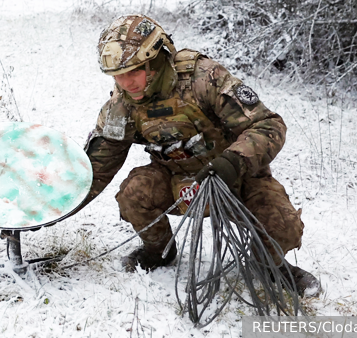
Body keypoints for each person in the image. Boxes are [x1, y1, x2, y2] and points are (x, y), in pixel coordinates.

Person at [81, 14, 321, 297]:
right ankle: (158, 252)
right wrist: (50, 208)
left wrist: (232, 162)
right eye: (117, 76)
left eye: (134, 72)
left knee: (283, 226)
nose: (126, 83)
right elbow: (97, 166)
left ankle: (270, 265)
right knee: (134, 193)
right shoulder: (122, 104)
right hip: (176, 179)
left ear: (155, 60)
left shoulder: (203, 79)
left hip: (235, 175)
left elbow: (268, 125)